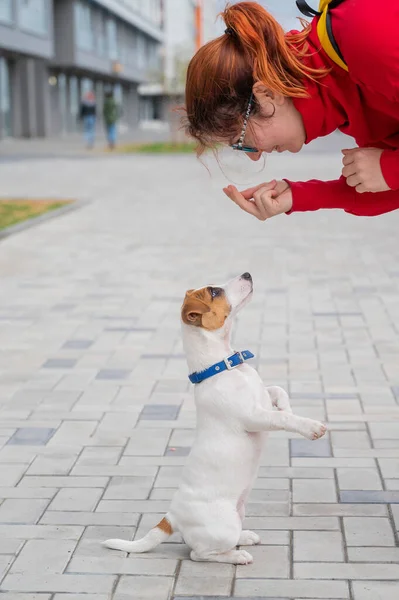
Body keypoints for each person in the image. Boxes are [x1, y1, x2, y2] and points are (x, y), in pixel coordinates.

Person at [184, 0, 399, 221]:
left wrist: (389, 168)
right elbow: (385, 187)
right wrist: (297, 196)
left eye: (241, 141)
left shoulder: (366, 33)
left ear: (267, 94)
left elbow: (388, 175)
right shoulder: (341, 97)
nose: (256, 156)